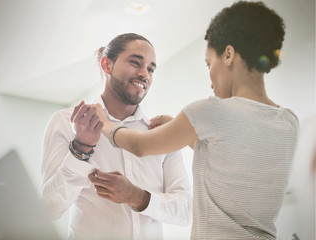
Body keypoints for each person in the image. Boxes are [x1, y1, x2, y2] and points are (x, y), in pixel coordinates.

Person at [93, 2, 299, 239]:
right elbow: (233, 156)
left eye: (209, 64)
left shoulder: (210, 110)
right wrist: (183, 130)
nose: (210, 79)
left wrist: (105, 123)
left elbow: (140, 146)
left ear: (229, 55)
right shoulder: (288, 121)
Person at [41, 33, 192, 240]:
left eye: (150, 69)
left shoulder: (161, 133)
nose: (144, 74)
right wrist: (81, 149)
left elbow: (185, 210)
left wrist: (138, 197)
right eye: (135, 62)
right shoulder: (66, 123)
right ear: (107, 65)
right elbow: (49, 208)